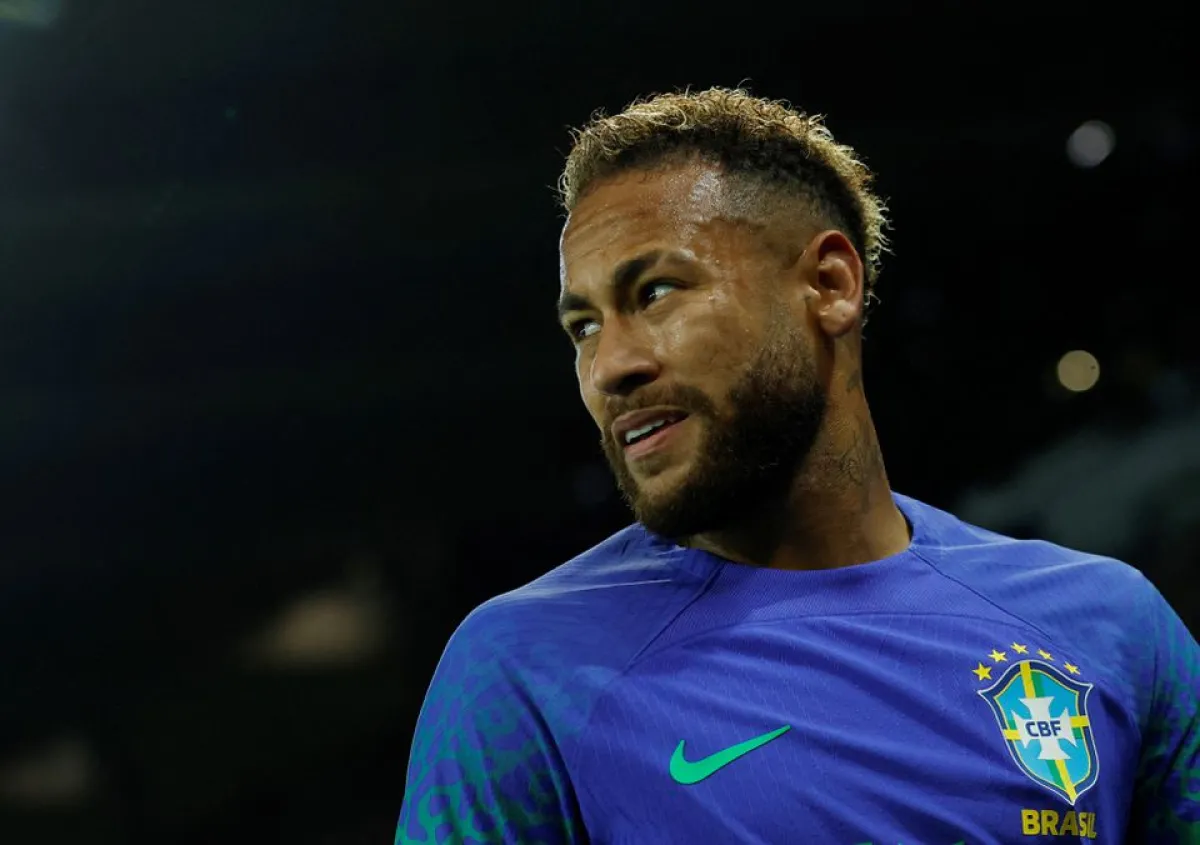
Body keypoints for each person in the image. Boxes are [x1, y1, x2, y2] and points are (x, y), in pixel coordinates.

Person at [395, 87, 1199, 844]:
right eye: (584, 327)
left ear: (829, 284)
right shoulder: (523, 668)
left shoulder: (1111, 628)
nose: (610, 366)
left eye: (656, 292)